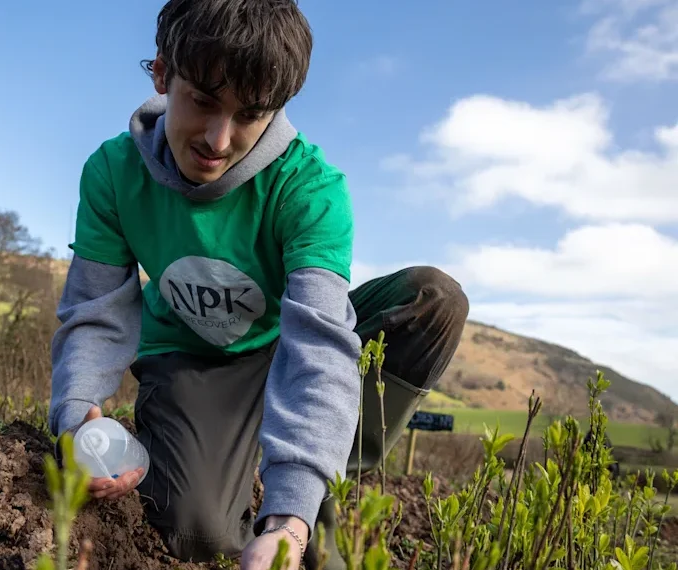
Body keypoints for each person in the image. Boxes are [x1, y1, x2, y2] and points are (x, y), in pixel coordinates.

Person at [49, 1, 470, 568]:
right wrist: (76, 416)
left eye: (250, 114)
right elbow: (96, 313)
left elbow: (318, 344)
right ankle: (247, 456)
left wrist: (289, 519)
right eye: (202, 101)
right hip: (191, 355)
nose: (219, 141)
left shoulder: (310, 188)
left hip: (287, 341)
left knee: (433, 300)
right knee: (198, 532)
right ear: (162, 73)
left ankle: (313, 477)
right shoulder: (112, 173)